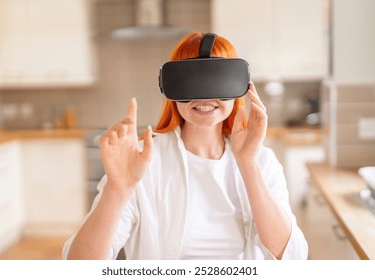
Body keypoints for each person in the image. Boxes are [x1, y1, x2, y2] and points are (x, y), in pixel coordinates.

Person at [62, 32, 308, 260]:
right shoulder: (142, 162)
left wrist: (248, 164)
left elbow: (291, 258)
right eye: (191, 83)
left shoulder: (262, 160)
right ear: (170, 90)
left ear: (239, 87)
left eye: (216, 81)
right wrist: (117, 189)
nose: (203, 98)